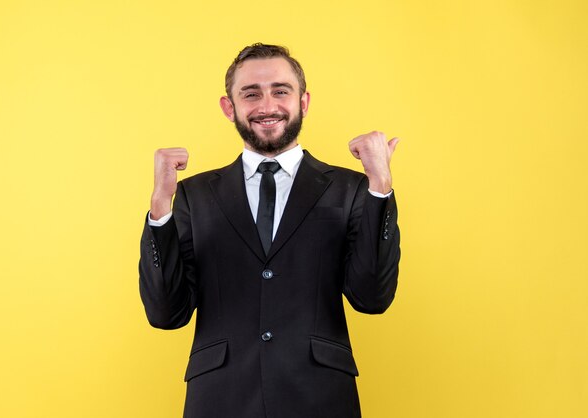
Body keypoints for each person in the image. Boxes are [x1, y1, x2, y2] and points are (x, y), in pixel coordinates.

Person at [139, 43, 400, 418]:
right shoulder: (192, 195)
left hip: (319, 396)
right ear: (229, 107)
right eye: (251, 94)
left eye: (281, 91)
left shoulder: (351, 189)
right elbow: (166, 313)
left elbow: (372, 298)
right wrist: (160, 206)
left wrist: (380, 187)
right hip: (221, 398)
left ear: (303, 101)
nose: (267, 106)